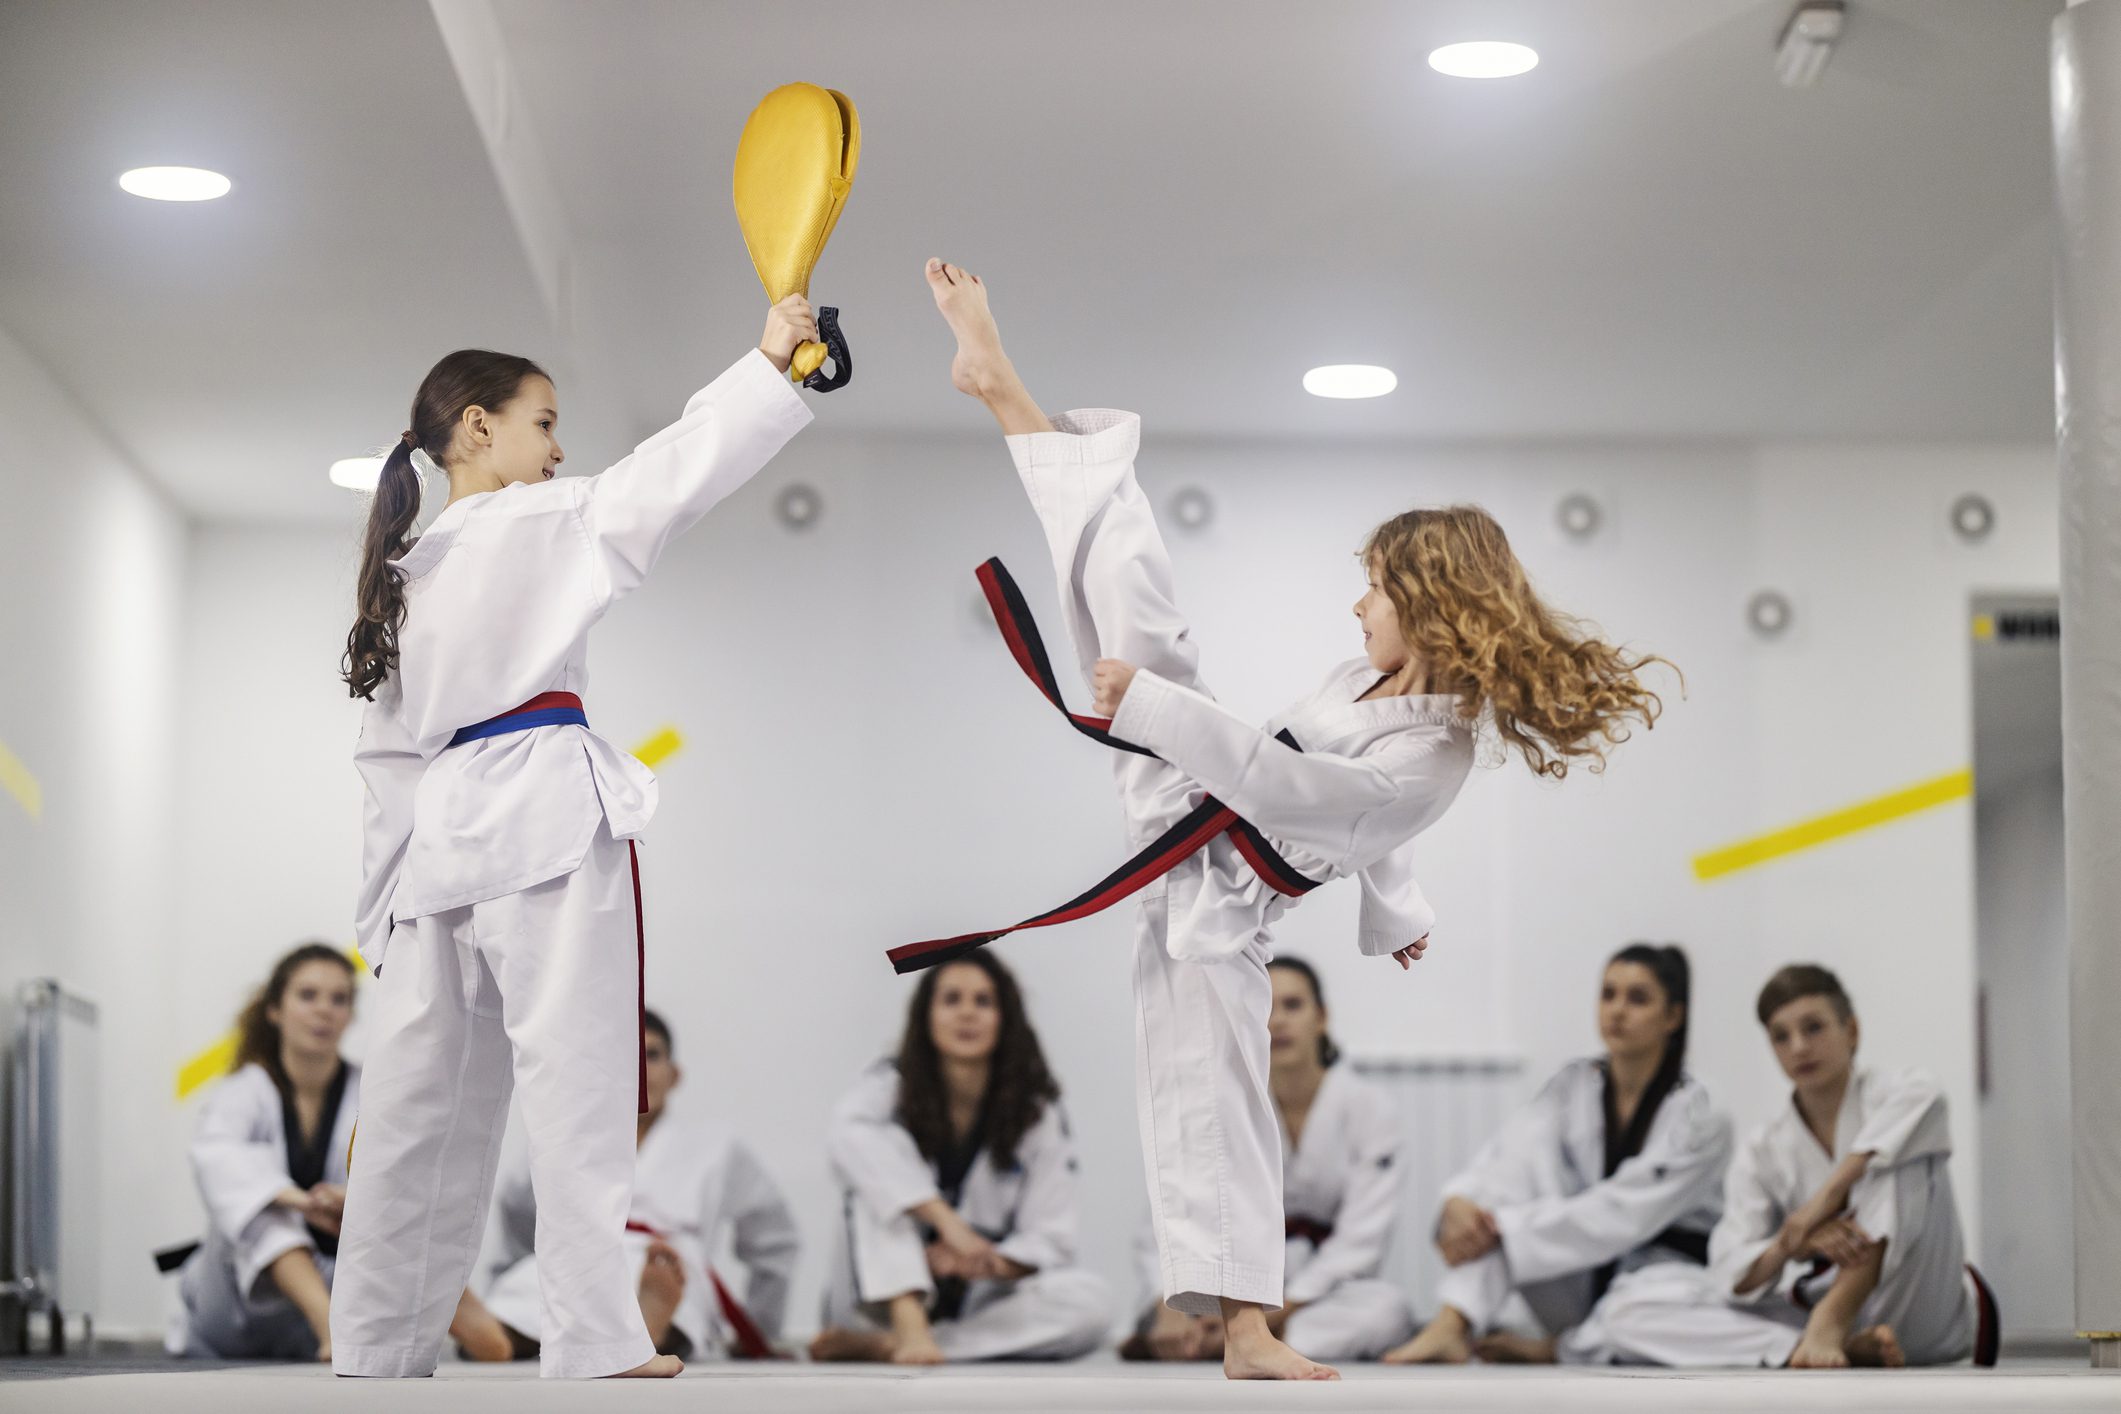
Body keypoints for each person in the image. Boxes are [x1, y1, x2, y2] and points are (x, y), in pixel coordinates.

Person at [921, 257, 1669, 1379]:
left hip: (1220, 894)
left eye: (1375, 587)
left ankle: (1246, 1330)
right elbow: (1352, 818)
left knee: (1219, 1103)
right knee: (1132, 578)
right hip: (1198, 811)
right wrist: (1393, 903)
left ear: (1428, 602)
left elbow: (1307, 797)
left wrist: (1157, 710)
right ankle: (1003, 392)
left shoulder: (1436, 752)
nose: (1356, 603)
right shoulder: (1377, 686)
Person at [329, 298, 818, 1380]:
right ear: (477, 428)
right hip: (543, 814)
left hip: (435, 848)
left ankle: (372, 1341)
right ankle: (594, 1338)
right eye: (544, 422)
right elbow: (673, 475)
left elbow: (384, 766)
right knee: (578, 1083)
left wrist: (382, 919)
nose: (558, 449)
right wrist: (770, 366)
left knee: (415, 1106)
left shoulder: (400, 577)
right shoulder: (542, 521)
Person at [1583, 964, 1991, 1368]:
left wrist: (1822, 1203)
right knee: (1627, 1309)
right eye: (1781, 1036)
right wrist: (1790, 1243)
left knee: (1896, 1153)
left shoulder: (1897, 1094)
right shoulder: (1765, 1148)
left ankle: (1831, 1319)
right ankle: (1812, 1345)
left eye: (1813, 1028)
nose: (1798, 1047)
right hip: (1839, 1327)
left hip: (1920, 1306)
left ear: (1851, 1031)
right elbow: (1729, 1271)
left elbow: (1929, 1096)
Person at [1383, 945, 1729, 1366]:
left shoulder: (1702, 1113)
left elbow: (1623, 1215)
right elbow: (1513, 1155)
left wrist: (1504, 1228)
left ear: (1673, 1016)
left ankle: (1555, 1348)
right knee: (1503, 1200)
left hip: (1659, 1280)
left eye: (1637, 999)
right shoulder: (1574, 1085)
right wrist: (1463, 1201)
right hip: (1585, 1272)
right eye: (1608, 994)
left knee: (1623, 1315)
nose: (1618, 1010)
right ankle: (1452, 1324)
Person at [168, 944, 493, 1361]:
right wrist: (301, 1202)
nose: (324, 1010)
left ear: (351, 1015)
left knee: (391, 1217)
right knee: (263, 1213)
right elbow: (219, 1162)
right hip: (231, 1308)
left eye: (339, 999)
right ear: (275, 1010)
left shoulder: (372, 1091)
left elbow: (404, 1180)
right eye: (308, 996)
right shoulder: (242, 1092)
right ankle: (330, 1330)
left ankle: (477, 1326)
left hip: (325, 1286)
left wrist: (353, 1204)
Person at [810, 954, 1112, 1364]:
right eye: (952, 999)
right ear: (926, 1017)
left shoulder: (1037, 1113)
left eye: (983, 1001)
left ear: (1005, 1018)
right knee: (876, 1171)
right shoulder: (886, 1086)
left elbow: (1051, 1236)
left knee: (1092, 1305)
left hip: (973, 1303)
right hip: (874, 1303)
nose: (967, 1013)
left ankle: (900, 1345)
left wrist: (986, 1262)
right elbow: (847, 1136)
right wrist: (946, 1223)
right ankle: (907, 1326)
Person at [461, 1010, 800, 1362]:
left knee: (675, 1294)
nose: (639, 1070)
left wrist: (761, 1325)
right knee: (533, 1286)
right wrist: (509, 1275)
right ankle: (497, 1336)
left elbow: (775, 1240)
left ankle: (652, 1323)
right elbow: (517, 1214)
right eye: (627, 1057)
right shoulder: (565, 1140)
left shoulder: (716, 1147)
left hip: (665, 1261)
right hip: (580, 1252)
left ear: (675, 1075)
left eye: (651, 1055)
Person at [1123, 956, 1415, 1364]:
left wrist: (1280, 1311)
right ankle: (1219, 1335)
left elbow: (1361, 1239)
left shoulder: (1370, 1108)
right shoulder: (1220, 1105)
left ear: (1321, 1017)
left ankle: (1229, 1343)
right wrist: (1165, 1305)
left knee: (1387, 1309)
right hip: (1232, 1290)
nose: (1277, 1021)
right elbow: (1174, 1213)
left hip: (1316, 1294)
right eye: (1263, 1007)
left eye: (1293, 1005)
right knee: (1169, 1306)